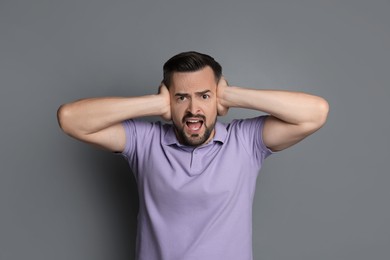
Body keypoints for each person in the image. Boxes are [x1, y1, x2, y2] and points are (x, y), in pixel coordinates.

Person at [57, 51, 329, 260]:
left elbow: (316, 112)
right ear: (168, 101)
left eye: (204, 96)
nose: (193, 108)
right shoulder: (145, 141)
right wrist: (153, 103)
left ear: (218, 99)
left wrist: (232, 95)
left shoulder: (245, 141)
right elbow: (70, 119)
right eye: (181, 98)